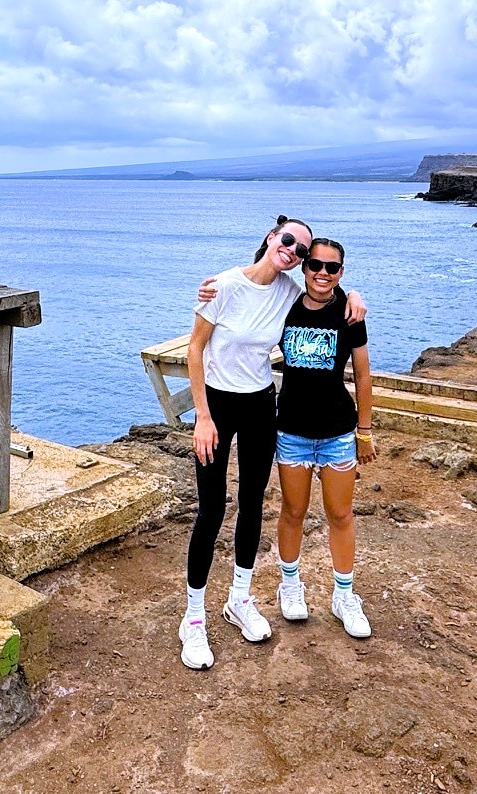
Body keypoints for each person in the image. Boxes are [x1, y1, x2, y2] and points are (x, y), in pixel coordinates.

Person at [179, 216, 365, 670]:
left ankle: (239, 599)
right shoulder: (224, 285)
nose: (294, 252)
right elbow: (195, 349)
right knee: (211, 510)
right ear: (270, 237)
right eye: (289, 241)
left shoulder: (288, 291)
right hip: (218, 405)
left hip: (261, 404)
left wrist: (355, 295)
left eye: (301, 250)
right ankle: (194, 617)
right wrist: (202, 416)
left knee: (252, 503)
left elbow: (325, 292)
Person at [273, 237, 374, 639]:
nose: (322, 273)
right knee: (292, 511)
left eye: (331, 268)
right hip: (292, 431)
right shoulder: (285, 306)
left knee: (341, 514)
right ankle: (290, 585)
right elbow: (252, 290)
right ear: (304, 267)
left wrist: (364, 431)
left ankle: (344, 596)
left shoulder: (350, 313)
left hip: (337, 433)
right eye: (315, 265)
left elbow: (363, 374)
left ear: (341, 273)